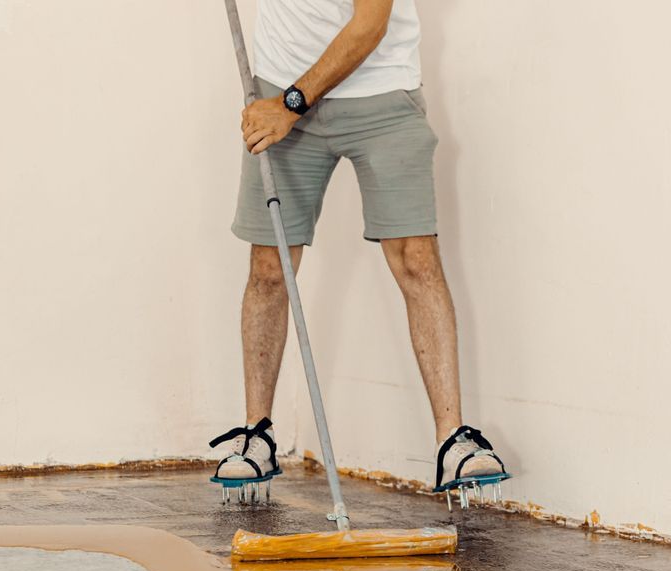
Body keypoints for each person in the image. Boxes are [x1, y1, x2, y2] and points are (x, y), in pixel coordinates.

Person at [211, 0, 510, 501]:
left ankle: (452, 441)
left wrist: (289, 105)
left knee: (416, 259)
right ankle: (255, 434)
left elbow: (370, 23)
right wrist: (281, 102)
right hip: (279, 92)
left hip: (376, 92)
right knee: (269, 267)